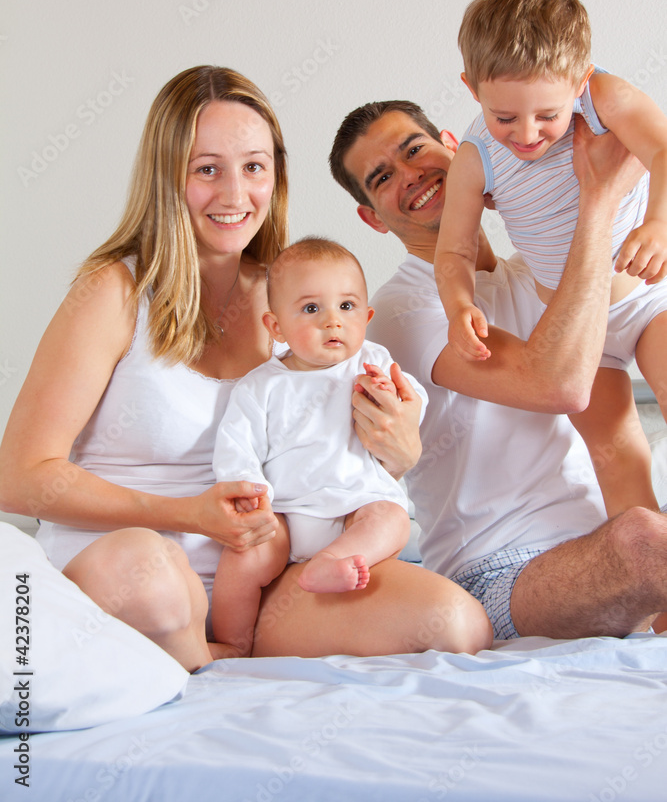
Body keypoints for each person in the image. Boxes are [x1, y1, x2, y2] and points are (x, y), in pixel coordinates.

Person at [0, 67, 492, 673]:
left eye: (254, 167)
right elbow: (19, 479)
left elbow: (338, 447)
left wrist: (399, 445)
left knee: (456, 624)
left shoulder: (294, 304)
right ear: (167, 174)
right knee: (151, 571)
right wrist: (186, 515)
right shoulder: (114, 292)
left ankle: (217, 657)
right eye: (207, 169)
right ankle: (195, 667)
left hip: (260, 586)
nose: (236, 195)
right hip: (126, 569)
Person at [330, 97, 667, 641]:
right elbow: (558, 384)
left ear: (452, 147)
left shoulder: (535, 276)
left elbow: (634, 313)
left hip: (602, 545)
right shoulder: (398, 311)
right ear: (373, 217)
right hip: (494, 573)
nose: (412, 175)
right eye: (383, 177)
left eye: (415, 150)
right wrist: (598, 200)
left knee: (640, 537)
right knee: (643, 541)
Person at [434, 0, 667, 518]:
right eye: (505, 117)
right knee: (617, 457)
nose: (527, 134)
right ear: (473, 89)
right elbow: (454, 251)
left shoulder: (604, 95)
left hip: (647, 300)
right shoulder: (476, 157)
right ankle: (657, 590)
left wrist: (657, 222)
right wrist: (459, 305)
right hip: (575, 327)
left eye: (547, 115)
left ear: (579, 80)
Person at [210, 237, 425, 656]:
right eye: (312, 309)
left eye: (347, 307)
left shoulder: (373, 363)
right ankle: (232, 645)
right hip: (287, 517)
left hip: (356, 507)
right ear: (275, 327)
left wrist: (391, 396)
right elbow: (237, 446)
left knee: (392, 518)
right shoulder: (262, 385)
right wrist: (251, 495)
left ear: (367, 315)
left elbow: (413, 405)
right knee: (242, 559)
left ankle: (333, 562)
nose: (333, 322)